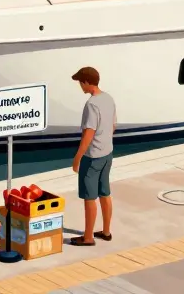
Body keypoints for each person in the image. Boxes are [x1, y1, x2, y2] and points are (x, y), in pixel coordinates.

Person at [70, 66, 115, 247]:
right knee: (105, 193)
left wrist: (78, 157)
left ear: (87, 82)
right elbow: (113, 125)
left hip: (93, 157)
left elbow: (88, 133)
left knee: (89, 197)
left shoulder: (91, 104)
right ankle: (106, 231)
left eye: (81, 82)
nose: (80, 86)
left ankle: (88, 237)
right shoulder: (108, 98)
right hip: (107, 153)